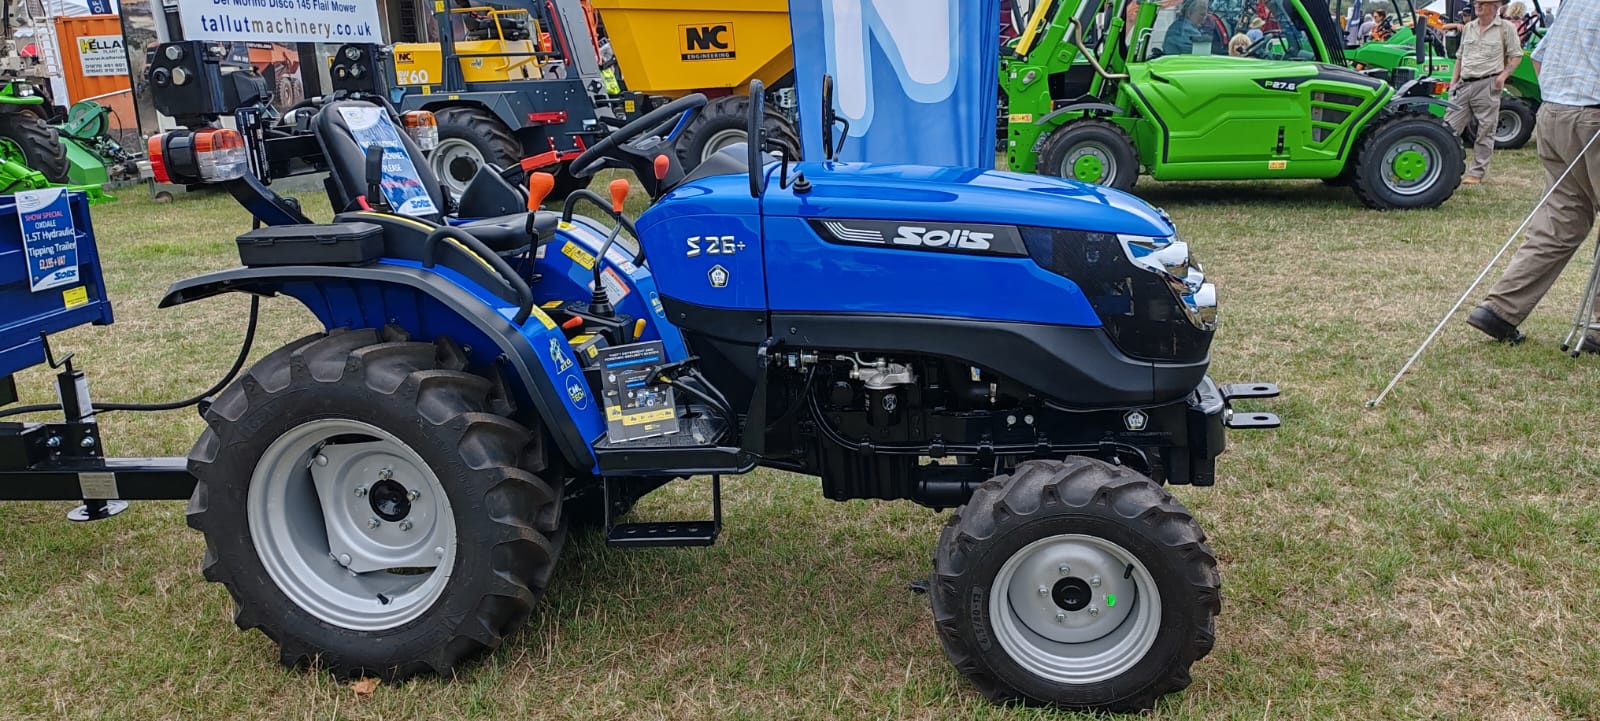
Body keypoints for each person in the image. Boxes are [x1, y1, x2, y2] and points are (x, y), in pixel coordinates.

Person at [1467, 1, 1600, 347]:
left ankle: (1500, 310)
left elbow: (1538, 58)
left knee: (1561, 218)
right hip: (1592, 116)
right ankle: (1598, 330)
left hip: (1555, 113)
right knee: (1562, 217)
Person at [1445, 0, 1522, 185]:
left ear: (1495, 7)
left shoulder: (1506, 28)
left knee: (1485, 130)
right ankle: (1444, 167)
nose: (1477, 6)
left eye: (1483, 3)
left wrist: (1502, 77)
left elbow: (1516, 56)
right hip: (1464, 84)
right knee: (1448, 127)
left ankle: (1476, 173)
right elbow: (1460, 57)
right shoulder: (1469, 27)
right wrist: (1453, 82)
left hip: (1487, 83)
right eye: (1476, 3)